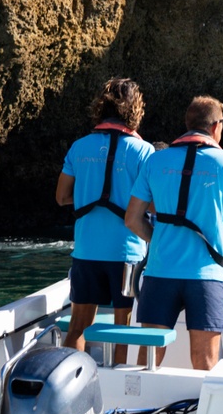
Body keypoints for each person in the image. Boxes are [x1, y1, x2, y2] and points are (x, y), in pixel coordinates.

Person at [125, 95, 223, 369]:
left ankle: (134, 409)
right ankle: (202, 412)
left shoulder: (155, 161)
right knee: (205, 361)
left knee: (148, 357)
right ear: (216, 126)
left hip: (160, 272)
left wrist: (158, 240)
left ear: (188, 124)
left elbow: (133, 219)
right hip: (205, 276)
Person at [54, 77, 151, 363]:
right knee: (122, 328)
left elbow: (61, 197)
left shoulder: (79, 147)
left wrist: (88, 195)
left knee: (77, 327)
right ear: (134, 109)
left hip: (86, 251)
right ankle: (120, 391)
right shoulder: (143, 151)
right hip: (127, 253)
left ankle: (72, 382)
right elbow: (155, 203)